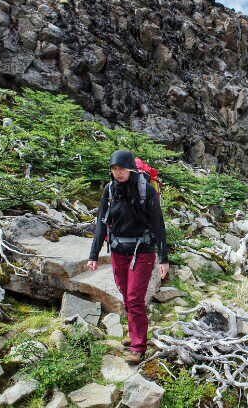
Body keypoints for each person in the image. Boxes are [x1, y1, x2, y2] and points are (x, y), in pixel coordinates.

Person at [87, 149, 169, 364]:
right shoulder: (110, 190)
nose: (118, 172)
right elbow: (101, 223)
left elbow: (158, 224)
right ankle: (134, 334)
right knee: (125, 294)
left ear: (131, 168)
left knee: (134, 298)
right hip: (118, 251)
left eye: (121, 168)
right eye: (114, 169)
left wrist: (164, 257)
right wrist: (93, 254)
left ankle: (138, 346)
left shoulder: (146, 191)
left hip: (142, 251)